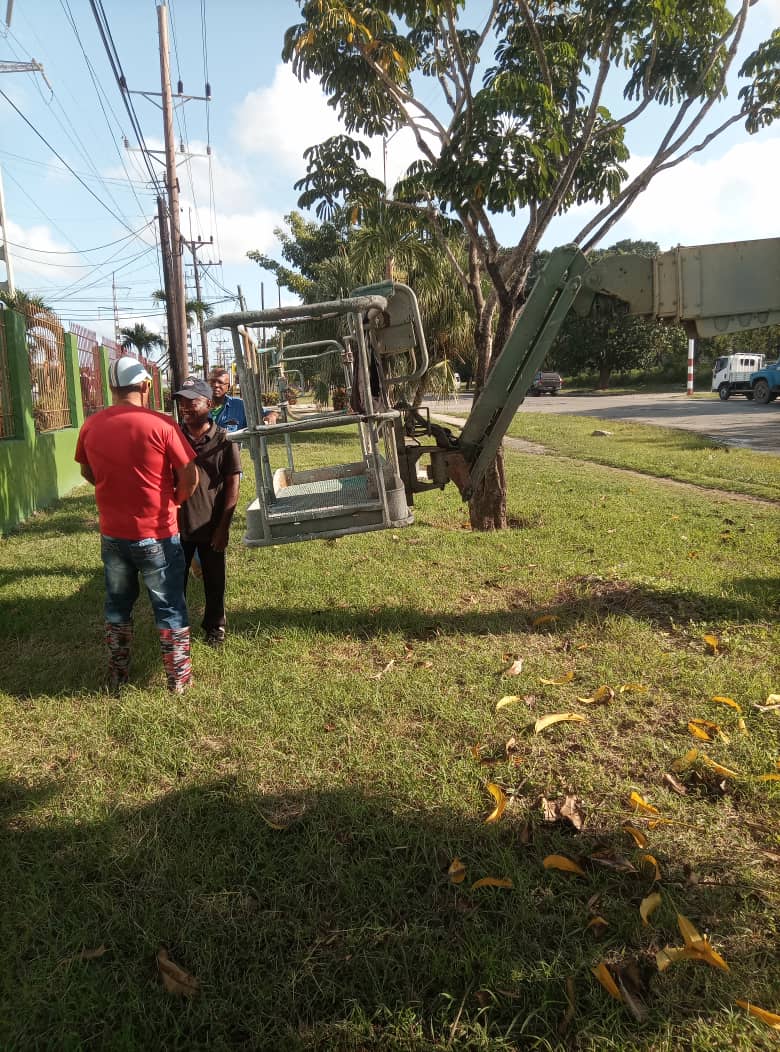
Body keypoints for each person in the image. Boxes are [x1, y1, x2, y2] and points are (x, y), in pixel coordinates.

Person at [74, 355, 198, 694]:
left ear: (112, 387)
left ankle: (117, 675)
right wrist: (176, 499)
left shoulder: (91, 425)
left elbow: (87, 471)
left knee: (117, 605)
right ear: (145, 385)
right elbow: (189, 473)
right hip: (158, 535)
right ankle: (178, 682)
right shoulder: (161, 425)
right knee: (169, 606)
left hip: (113, 535)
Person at [175, 377, 242, 647]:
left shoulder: (225, 440)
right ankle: (178, 632)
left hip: (211, 526)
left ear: (210, 404)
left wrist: (223, 528)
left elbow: (232, 485)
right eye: (182, 401)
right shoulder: (172, 437)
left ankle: (215, 627)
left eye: (193, 400)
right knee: (174, 584)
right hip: (177, 527)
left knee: (215, 582)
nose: (186, 406)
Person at [207, 367, 247, 432]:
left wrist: (268, 417)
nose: (216, 385)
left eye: (220, 382)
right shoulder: (199, 406)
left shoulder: (241, 406)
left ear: (228, 387)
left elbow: (263, 415)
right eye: (212, 381)